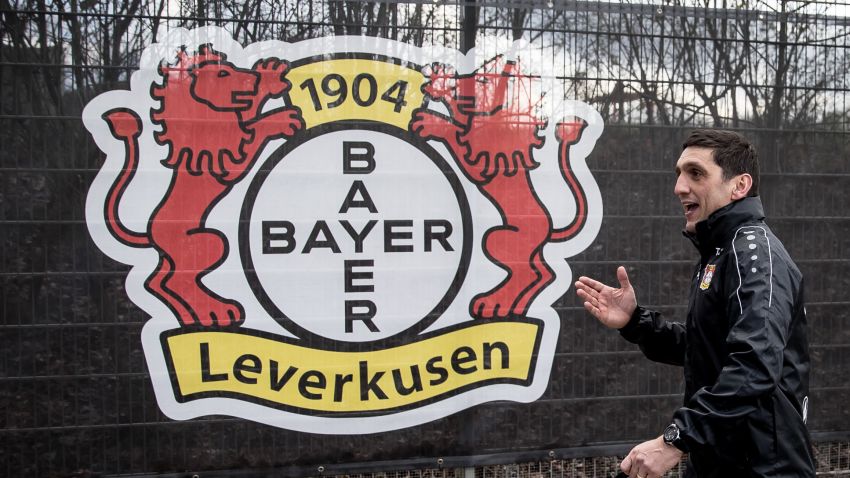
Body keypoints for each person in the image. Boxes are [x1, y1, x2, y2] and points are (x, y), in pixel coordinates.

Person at [575, 130, 815, 478]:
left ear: (739, 185)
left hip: (765, 467)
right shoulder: (719, 250)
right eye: (679, 174)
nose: (679, 187)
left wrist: (674, 439)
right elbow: (707, 348)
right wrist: (635, 322)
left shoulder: (753, 254)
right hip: (719, 460)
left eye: (696, 173)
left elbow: (755, 364)